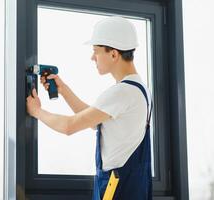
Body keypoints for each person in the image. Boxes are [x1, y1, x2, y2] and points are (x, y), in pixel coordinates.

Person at [26, 16, 152, 200]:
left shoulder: (122, 92)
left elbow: (69, 126)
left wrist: (36, 111)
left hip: (118, 190)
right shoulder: (139, 89)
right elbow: (93, 120)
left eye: (96, 51)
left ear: (114, 54)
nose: (92, 57)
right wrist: (63, 90)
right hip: (130, 187)